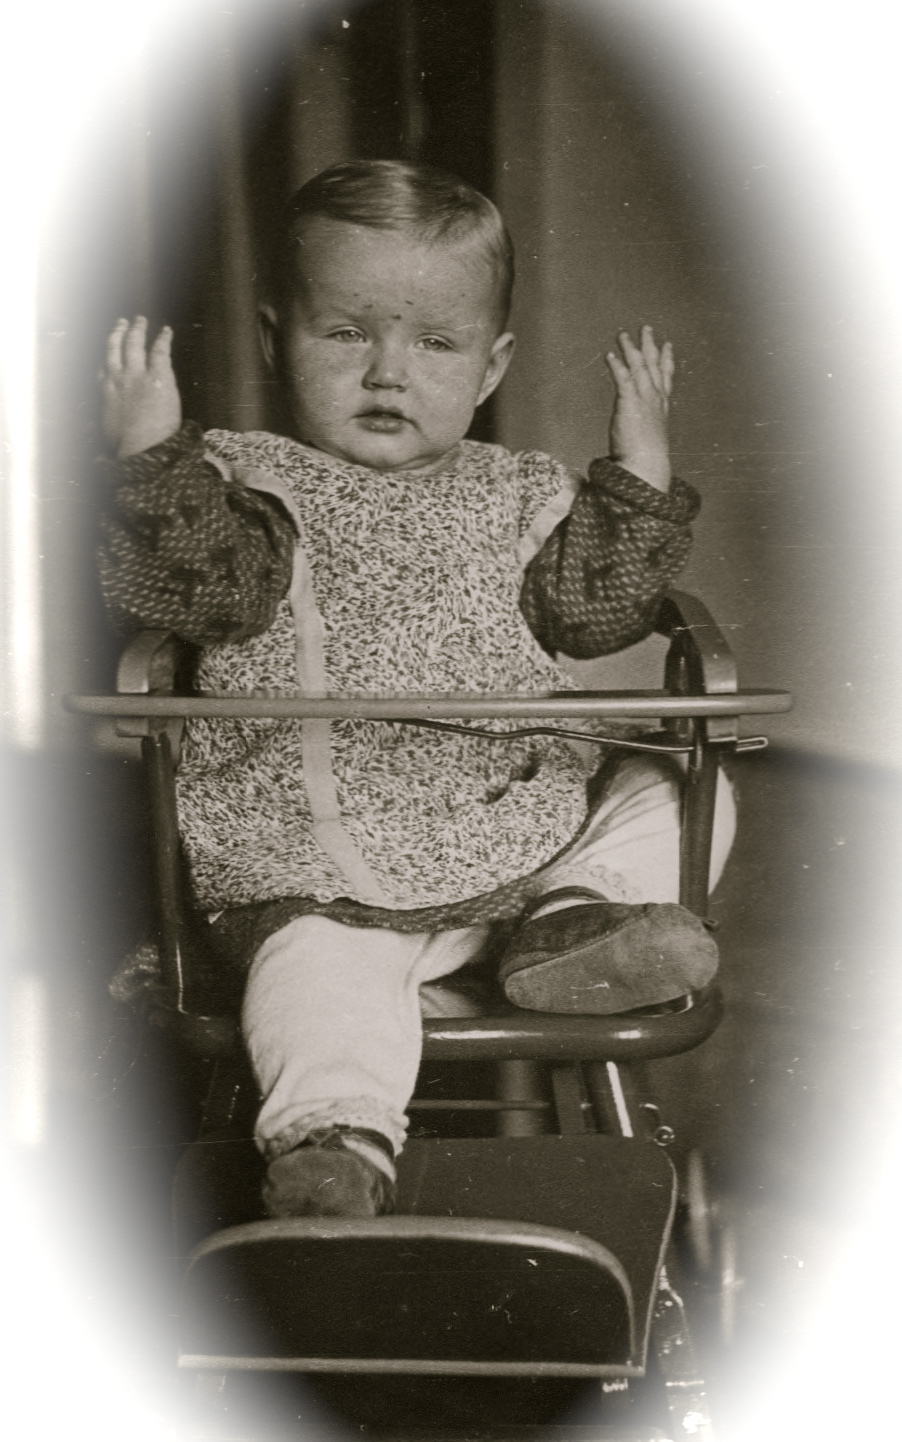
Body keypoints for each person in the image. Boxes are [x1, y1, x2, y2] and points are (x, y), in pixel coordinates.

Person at [98, 159, 733, 1219]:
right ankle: (336, 1139)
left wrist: (640, 468)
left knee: (676, 790)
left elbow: (592, 614)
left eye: (435, 343)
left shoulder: (517, 491)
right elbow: (194, 586)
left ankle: (574, 922)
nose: (388, 373)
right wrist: (152, 457)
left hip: (520, 841)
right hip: (319, 861)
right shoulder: (253, 492)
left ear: (490, 368)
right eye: (347, 334)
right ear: (276, 341)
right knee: (316, 966)